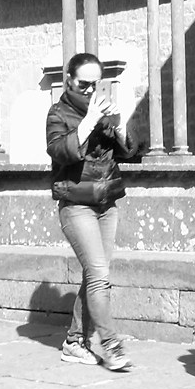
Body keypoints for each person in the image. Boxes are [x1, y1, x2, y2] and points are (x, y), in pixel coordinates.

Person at [45, 53, 144, 371]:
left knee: (95, 275)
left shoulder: (103, 111)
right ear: (69, 80)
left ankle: (74, 342)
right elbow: (60, 151)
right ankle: (111, 345)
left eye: (96, 84)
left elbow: (129, 152)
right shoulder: (58, 113)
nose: (90, 90)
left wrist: (119, 126)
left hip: (106, 204)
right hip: (75, 205)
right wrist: (88, 122)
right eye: (84, 84)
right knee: (100, 276)